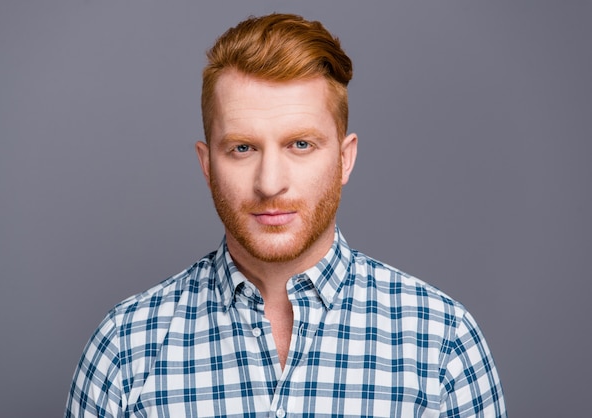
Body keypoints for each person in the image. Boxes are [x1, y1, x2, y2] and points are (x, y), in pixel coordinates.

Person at [65, 13, 506, 417]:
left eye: (300, 145)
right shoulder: (124, 348)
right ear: (206, 165)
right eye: (242, 148)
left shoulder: (443, 342)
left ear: (345, 159)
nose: (270, 182)